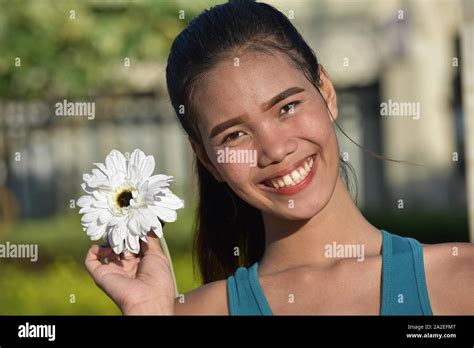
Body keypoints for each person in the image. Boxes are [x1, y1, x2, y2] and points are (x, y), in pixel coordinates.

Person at [85, 0, 474, 315]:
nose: (274, 149)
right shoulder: (189, 312)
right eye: (235, 134)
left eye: (286, 107)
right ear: (206, 158)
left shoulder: (462, 279)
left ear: (326, 91)